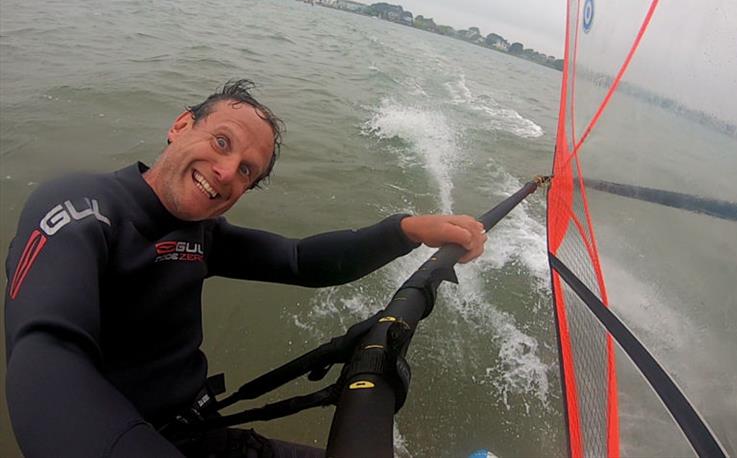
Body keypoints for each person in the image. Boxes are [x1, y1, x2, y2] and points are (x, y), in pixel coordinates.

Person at [4, 79, 487, 458]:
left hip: (203, 436)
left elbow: (300, 260)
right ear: (180, 126)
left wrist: (408, 230)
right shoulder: (80, 209)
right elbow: (46, 356)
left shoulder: (201, 235)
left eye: (246, 172)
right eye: (221, 142)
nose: (226, 171)